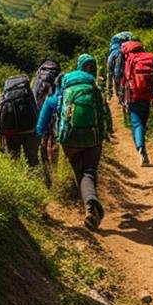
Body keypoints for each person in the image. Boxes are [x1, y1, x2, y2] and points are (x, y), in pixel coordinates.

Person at [37, 54, 113, 230]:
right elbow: (105, 115)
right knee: (90, 171)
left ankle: (90, 205)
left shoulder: (58, 96)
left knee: (81, 173)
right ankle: (90, 204)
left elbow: (41, 125)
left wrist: (41, 134)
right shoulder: (94, 91)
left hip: (70, 140)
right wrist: (107, 131)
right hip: (93, 138)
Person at [0, 75, 40, 170]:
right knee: (32, 158)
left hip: (11, 132)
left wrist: (0, 135)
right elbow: (36, 111)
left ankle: (16, 177)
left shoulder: (4, 97)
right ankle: (35, 178)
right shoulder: (28, 95)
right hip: (30, 130)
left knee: (14, 158)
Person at [121, 40, 153, 167]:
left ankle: (141, 149)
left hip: (133, 96)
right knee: (143, 121)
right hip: (147, 95)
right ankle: (143, 146)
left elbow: (124, 80)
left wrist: (123, 99)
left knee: (136, 124)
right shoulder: (150, 57)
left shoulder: (129, 60)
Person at [33, 59, 62, 169]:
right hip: (54, 105)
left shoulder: (39, 76)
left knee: (44, 135)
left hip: (41, 107)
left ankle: (44, 161)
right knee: (53, 135)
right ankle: (53, 164)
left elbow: (35, 94)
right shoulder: (57, 74)